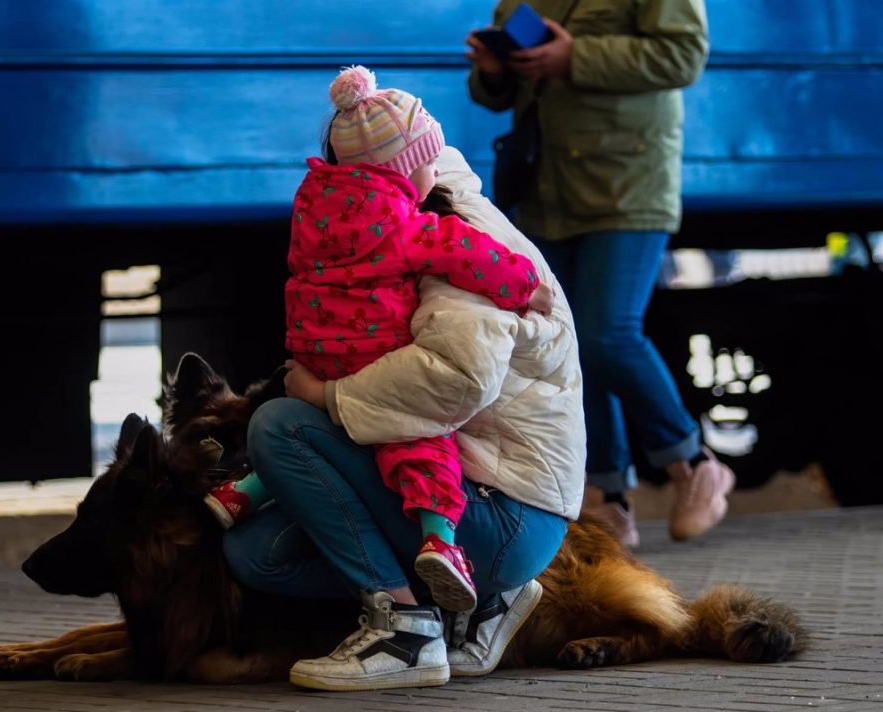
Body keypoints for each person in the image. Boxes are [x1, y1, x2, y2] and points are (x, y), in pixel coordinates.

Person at [220, 124, 585, 691]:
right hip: (490, 492)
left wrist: (326, 395)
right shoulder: (427, 210)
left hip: (507, 509)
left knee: (280, 425)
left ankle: (407, 631)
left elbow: (459, 380)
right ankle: (474, 602)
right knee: (257, 554)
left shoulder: (457, 250)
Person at [205, 66, 551, 615]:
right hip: (375, 353)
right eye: (427, 161)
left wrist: (323, 391)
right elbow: (468, 257)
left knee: (308, 432)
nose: (436, 171)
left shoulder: (312, 207)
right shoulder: (407, 224)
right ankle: (441, 544)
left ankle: (244, 493)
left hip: (316, 352)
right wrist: (526, 285)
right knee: (418, 440)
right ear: (405, 169)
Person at [466, 0, 733, 548]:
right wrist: (495, 74)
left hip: (628, 182)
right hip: (548, 188)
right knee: (566, 344)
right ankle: (608, 497)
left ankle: (695, 462)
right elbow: (504, 94)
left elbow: (683, 54)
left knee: (608, 332)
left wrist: (576, 56)